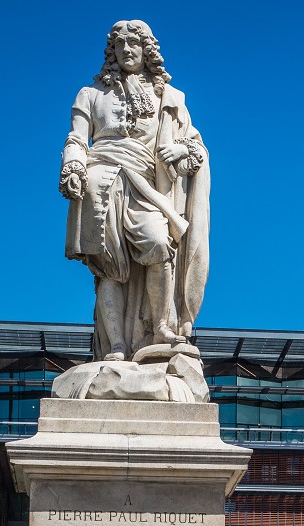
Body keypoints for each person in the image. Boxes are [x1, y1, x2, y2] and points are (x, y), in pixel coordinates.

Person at [61, 20, 210, 362]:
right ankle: (115, 345)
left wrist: (183, 150)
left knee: (159, 244)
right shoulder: (91, 94)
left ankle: (160, 327)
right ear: (111, 51)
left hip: (147, 186)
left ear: (147, 50)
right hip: (99, 182)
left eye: (134, 44)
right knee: (108, 267)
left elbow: (194, 144)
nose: (127, 50)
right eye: (120, 44)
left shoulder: (169, 97)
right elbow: (76, 138)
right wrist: (73, 167)